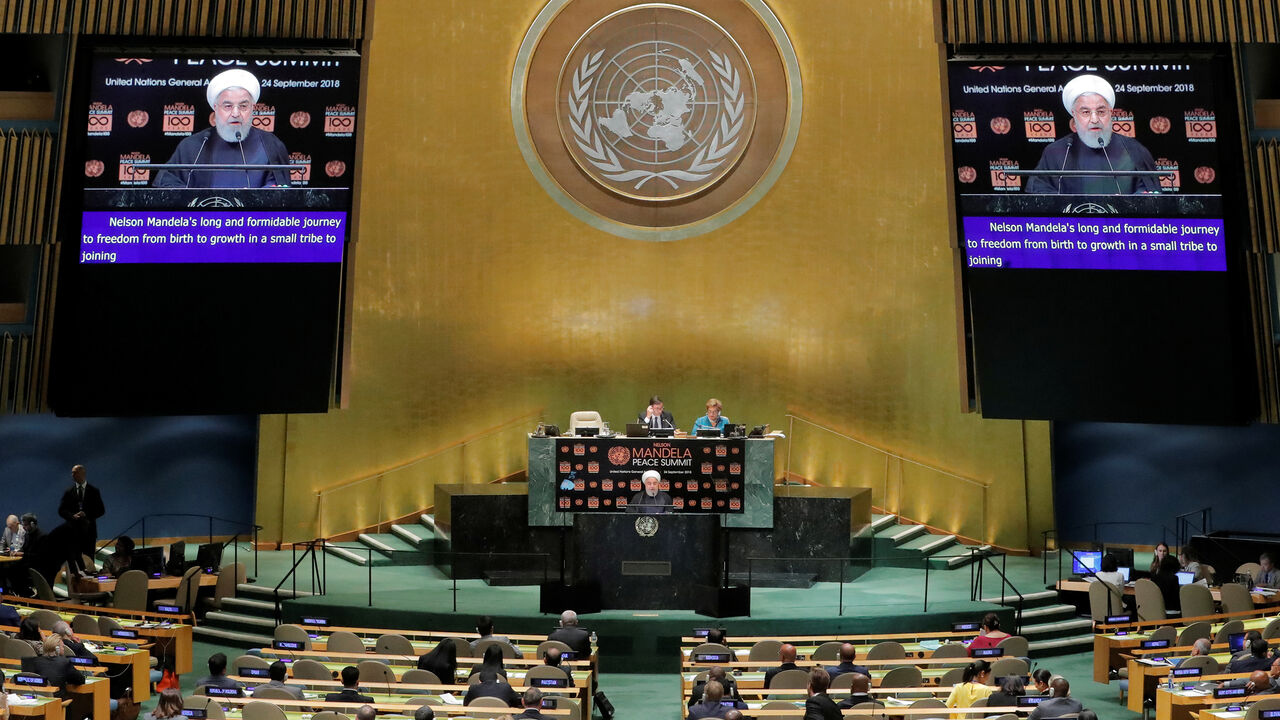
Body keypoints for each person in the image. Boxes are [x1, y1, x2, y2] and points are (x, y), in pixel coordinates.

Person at [153, 69, 291, 188]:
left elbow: (279, 190)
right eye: (228, 106)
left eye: (243, 106)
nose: (236, 113)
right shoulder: (193, 146)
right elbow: (167, 184)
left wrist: (256, 198)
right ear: (216, 108)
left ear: (253, 108)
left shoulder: (270, 144)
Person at [1025, 74, 1159, 194]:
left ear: (1111, 113)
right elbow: (1039, 193)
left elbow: (1151, 193)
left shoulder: (1133, 150)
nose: (1094, 119)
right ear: (1074, 115)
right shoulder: (1056, 152)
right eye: (1086, 112)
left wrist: (1127, 203)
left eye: (1101, 112)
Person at [57, 464, 105, 568]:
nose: (72, 475)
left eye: (74, 473)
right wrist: (72, 516)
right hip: (73, 532)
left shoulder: (93, 491)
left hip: (89, 532)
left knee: (89, 561)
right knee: (74, 562)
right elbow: (61, 510)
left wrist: (86, 514)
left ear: (82, 473)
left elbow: (101, 510)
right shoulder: (69, 492)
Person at [23, 635, 86, 699]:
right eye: (62, 646)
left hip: (36, 699)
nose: (63, 649)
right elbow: (80, 680)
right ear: (57, 649)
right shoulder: (64, 662)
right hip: (56, 700)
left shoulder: (32, 661)